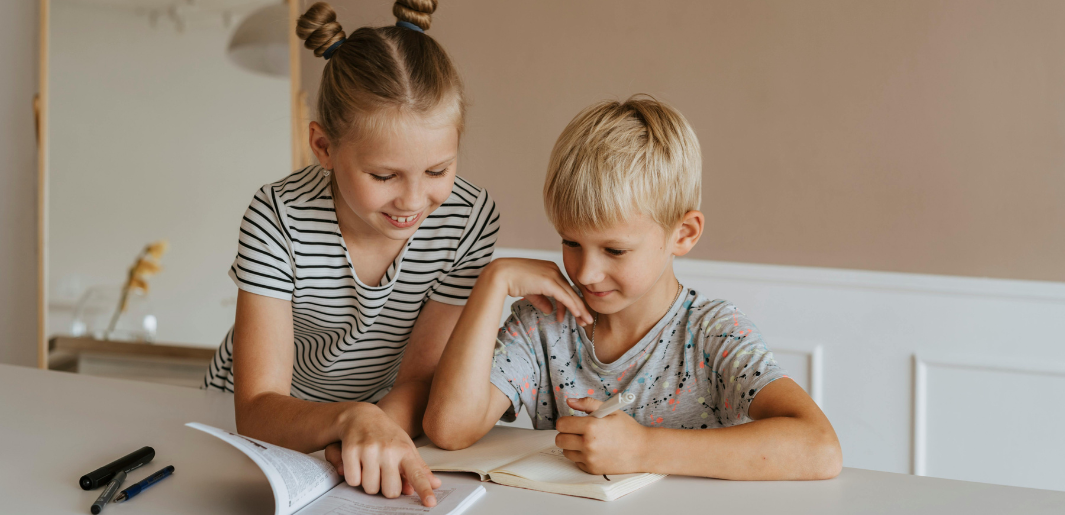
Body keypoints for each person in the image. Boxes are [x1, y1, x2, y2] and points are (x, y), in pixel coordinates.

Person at [424, 96, 842, 480]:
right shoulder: (543, 324)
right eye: (571, 242)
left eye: (615, 250)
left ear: (683, 234)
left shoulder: (713, 333)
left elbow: (819, 448)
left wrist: (643, 449)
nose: (586, 273)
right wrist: (492, 282)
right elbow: (449, 429)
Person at [202, 1, 498, 506]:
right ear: (323, 146)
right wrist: (350, 422)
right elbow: (255, 406)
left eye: (437, 171)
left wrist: (371, 428)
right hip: (260, 417)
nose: (412, 201)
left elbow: (422, 377)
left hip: (377, 419)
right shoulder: (277, 215)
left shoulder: (467, 219)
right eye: (383, 176)